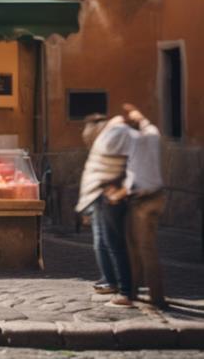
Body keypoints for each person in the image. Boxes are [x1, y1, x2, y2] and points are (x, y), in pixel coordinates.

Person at [107, 105, 166, 308]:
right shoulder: (152, 135)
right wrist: (137, 114)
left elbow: (133, 180)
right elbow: (146, 122)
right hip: (158, 196)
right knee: (144, 245)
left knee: (140, 248)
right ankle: (136, 290)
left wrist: (116, 196)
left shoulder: (131, 144)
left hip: (142, 200)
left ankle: (151, 296)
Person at [75, 112, 136, 306]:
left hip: (109, 196)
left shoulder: (115, 139)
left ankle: (125, 290)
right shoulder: (104, 144)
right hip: (100, 196)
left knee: (114, 243)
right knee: (101, 241)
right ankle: (110, 281)